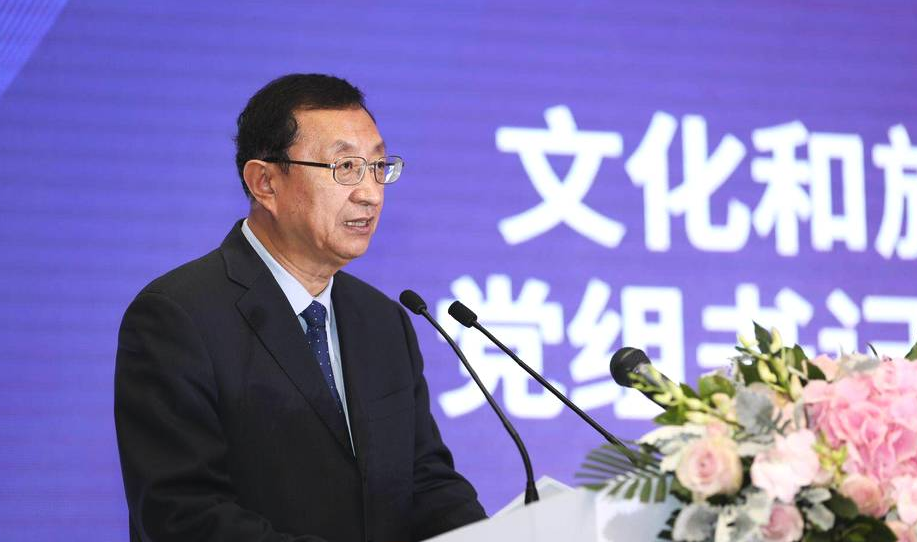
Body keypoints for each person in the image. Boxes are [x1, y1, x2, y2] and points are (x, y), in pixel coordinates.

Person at [114, 73, 486, 542]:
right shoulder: (177, 317)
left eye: (377, 166)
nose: (371, 193)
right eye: (345, 167)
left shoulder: (383, 321)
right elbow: (183, 515)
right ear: (265, 182)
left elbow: (427, 482)